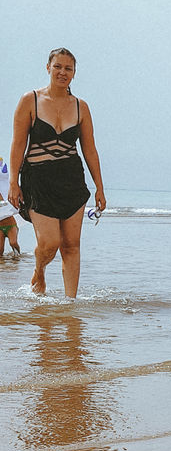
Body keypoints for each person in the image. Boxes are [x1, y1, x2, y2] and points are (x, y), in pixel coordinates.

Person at [7, 47, 106, 298]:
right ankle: (39, 271)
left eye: (68, 68)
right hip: (38, 180)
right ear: (48, 68)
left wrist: (100, 187)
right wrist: (13, 182)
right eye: (58, 66)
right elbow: (18, 144)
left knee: (71, 245)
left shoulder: (81, 107)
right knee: (50, 243)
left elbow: (90, 150)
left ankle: (70, 304)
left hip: (72, 180)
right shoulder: (30, 100)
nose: (63, 72)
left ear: (74, 73)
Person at [0, 157, 22, 258]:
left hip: (10, 225)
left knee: (13, 243)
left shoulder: (3, 194)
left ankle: (18, 260)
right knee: (0, 251)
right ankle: (4, 269)